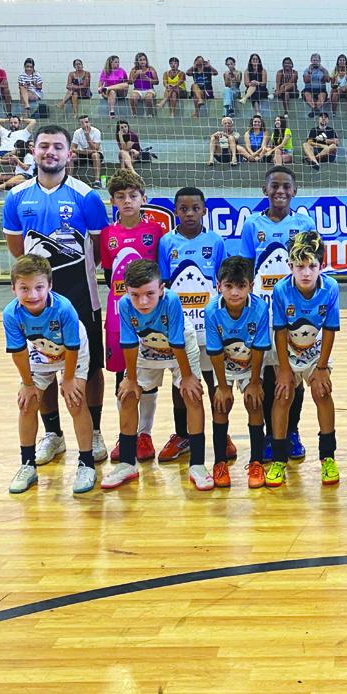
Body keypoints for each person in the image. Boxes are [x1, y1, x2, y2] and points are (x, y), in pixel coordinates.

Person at [3, 123, 111, 468]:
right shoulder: (16, 197)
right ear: (33, 150)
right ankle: (53, 434)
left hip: (81, 294)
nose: (50, 152)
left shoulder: (87, 196)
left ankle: (93, 431)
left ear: (69, 153)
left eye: (58, 147)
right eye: (44, 146)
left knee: (91, 366)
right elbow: (18, 250)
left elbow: (97, 248)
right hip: (38, 299)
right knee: (42, 363)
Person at [105, 260, 208, 491]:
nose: (143, 301)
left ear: (161, 288)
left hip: (180, 344)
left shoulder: (171, 300)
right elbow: (129, 343)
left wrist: (188, 377)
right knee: (128, 395)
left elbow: (177, 342)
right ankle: (126, 464)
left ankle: (198, 464)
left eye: (150, 294)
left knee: (192, 395)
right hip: (147, 345)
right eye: (136, 295)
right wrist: (130, 379)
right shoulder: (124, 305)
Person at [3, 255, 96, 495]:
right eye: (24, 288)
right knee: (27, 404)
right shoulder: (11, 314)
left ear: (50, 286)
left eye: (39, 287)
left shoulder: (64, 308)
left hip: (72, 350)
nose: (32, 295)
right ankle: (27, 465)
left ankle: (87, 463)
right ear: (13, 288)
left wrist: (68, 379)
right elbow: (19, 352)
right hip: (40, 350)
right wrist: (27, 384)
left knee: (75, 401)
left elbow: (73, 347)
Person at [240, 166, 315, 459]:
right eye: (275, 186)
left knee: (294, 377)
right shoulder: (252, 225)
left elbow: (311, 266)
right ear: (265, 190)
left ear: (294, 191)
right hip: (263, 315)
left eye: (286, 186)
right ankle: (273, 435)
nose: (280, 191)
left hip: (296, 313)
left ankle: (292, 431)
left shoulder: (305, 223)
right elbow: (247, 268)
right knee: (271, 378)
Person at [99, 169, 168, 467]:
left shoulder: (156, 232)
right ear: (112, 200)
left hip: (152, 319)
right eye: (120, 196)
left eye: (132, 196)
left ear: (143, 199)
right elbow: (108, 275)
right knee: (122, 377)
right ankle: (125, 434)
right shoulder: (108, 234)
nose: (126, 201)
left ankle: (144, 434)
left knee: (148, 376)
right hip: (118, 317)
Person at [158, 186, 229, 464]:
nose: (189, 214)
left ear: (204, 210)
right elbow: (164, 283)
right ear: (176, 211)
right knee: (181, 381)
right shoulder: (166, 242)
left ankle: (222, 434)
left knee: (211, 380)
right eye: (183, 209)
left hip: (208, 324)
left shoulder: (216, 241)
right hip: (179, 326)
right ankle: (182, 434)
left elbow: (222, 284)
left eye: (195, 208)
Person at [269, 230, 341, 488]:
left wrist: (321, 367)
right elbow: (278, 330)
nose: (306, 272)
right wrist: (285, 369)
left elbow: (331, 329)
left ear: (322, 265)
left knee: (322, 393)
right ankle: (279, 459)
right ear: (290, 266)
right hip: (287, 349)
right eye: (300, 266)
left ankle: (328, 457)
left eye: (312, 266)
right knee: (283, 394)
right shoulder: (280, 289)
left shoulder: (330, 288)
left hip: (315, 350)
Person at [205, 255, 271, 490]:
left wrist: (254, 383)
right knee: (220, 405)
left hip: (251, 364)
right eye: (229, 286)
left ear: (251, 286)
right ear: (218, 285)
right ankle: (219, 462)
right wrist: (223, 387)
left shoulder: (260, 308)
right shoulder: (212, 310)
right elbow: (213, 351)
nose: (235, 292)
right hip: (224, 365)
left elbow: (260, 349)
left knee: (254, 403)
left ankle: (256, 461)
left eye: (241, 286)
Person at [70, 114, 104, 188]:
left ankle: (97, 181)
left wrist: (87, 136)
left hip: (95, 153)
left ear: (90, 122)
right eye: (82, 123)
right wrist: (83, 152)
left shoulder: (96, 131)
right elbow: (72, 148)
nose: (84, 124)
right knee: (71, 156)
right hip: (82, 153)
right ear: (80, 124)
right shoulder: (77, 132)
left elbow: (95, 149)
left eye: (86, 122)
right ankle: (69, 180)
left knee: (95, 155)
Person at [128, 52, 158, 118]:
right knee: (132, 97)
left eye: (144, 59)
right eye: (140, 60)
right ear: (137, 61)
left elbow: (157, 82)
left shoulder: (151, 69)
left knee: (148, 97)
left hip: (149, 90)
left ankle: (150, 114)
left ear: (146, 60)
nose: (142, 61)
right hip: (137, 90)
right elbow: (130, 82)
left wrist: (149, 79)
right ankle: (134, 114)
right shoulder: (134, 70)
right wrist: (136, 74)